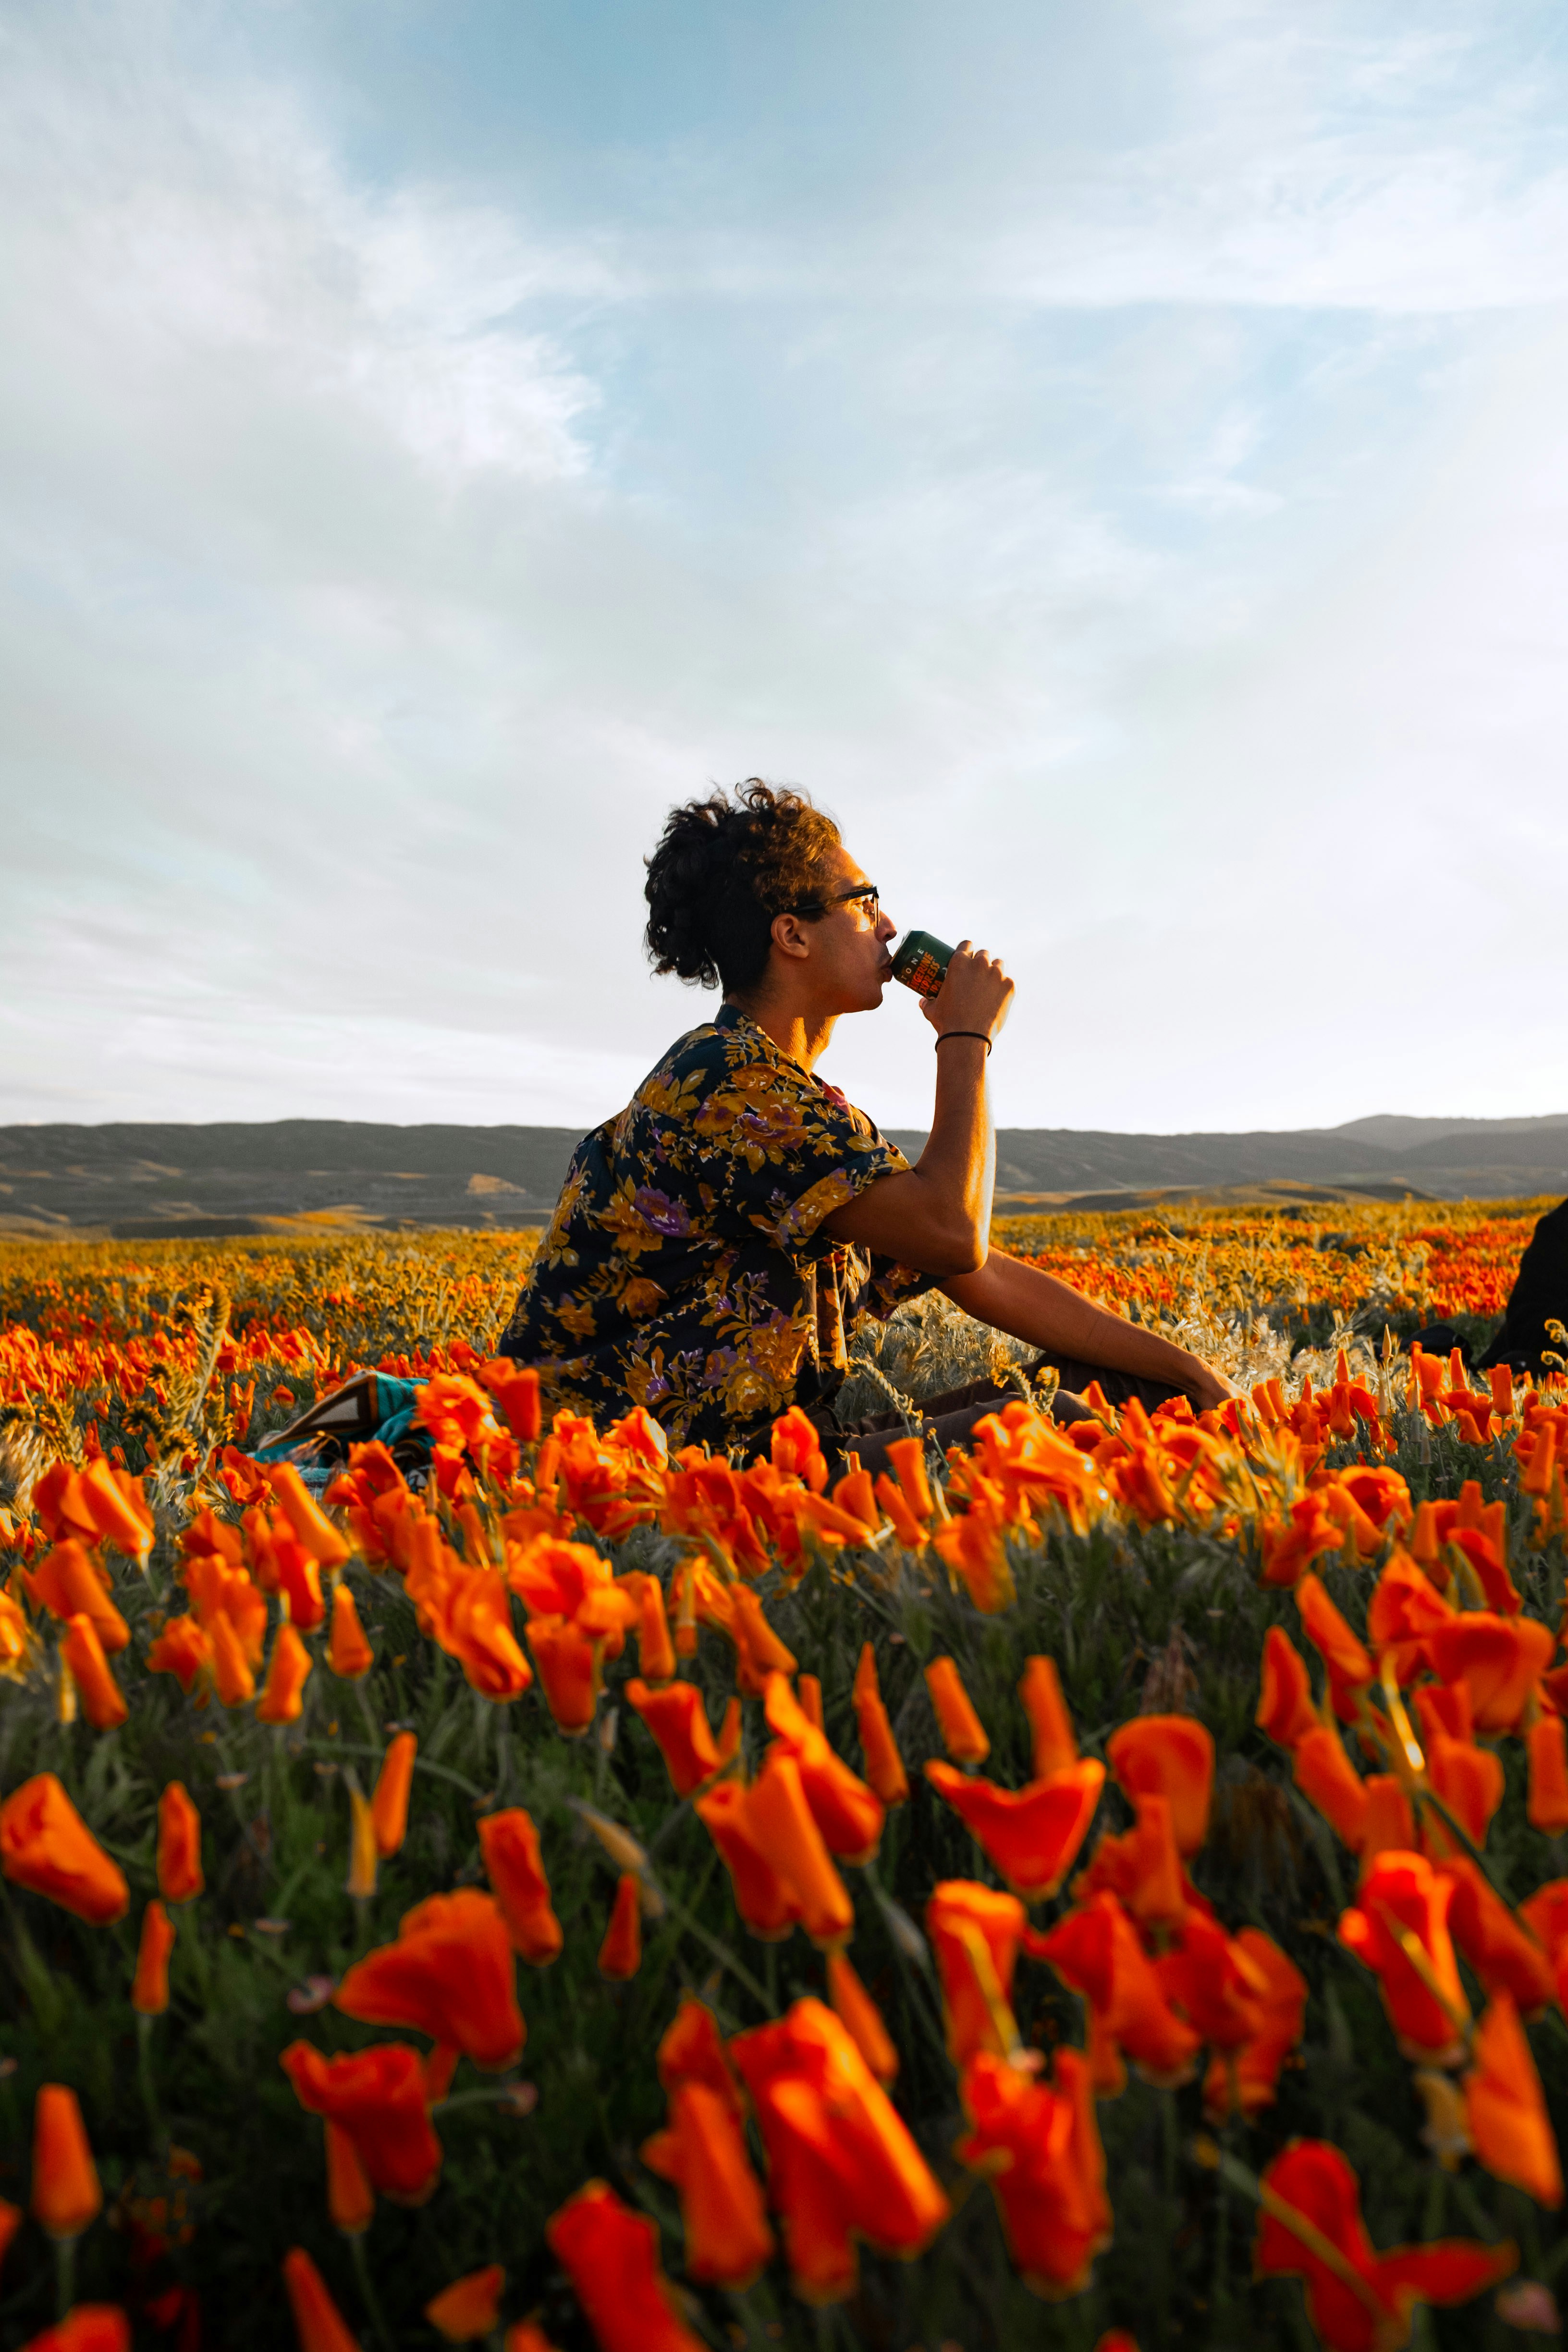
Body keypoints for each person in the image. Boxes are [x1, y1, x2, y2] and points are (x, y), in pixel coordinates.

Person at [499, 782, 1236, 1471]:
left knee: (1118, 1389)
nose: (888, 925)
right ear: (792, 934)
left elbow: (977, 1273)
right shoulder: (727, 1084)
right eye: (864, 902)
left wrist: (1191, 1375)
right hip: (654, 1478)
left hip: (767, 1458)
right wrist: (966, 1040)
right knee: (1053, 1424)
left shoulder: (797, 1104)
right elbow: (954, 1230)